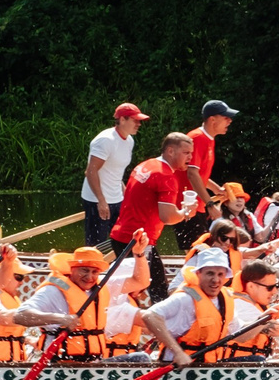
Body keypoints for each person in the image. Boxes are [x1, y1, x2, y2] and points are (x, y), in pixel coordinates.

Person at [139, 249, 269, 366]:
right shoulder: (186, 298)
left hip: (207, 368)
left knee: (259, 362)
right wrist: (178, 353)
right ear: (199, 273)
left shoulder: (224, 299)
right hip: (178, 368)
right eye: (210, 274)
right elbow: (150, 315)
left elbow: (239, 335)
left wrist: (262, 321)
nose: (215, 280)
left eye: (220, 275)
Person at [108, 131, 193, 299]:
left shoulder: (146, 165)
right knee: (158, 291)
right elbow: (168, 217)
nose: (190, 157)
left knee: (132, 289)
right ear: (170, 151)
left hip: (121, 235)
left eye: (191, 153)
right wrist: (186, 212)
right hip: (138, 241)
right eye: (186, 153)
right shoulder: (166, 177)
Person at [19, 246, 120, 360]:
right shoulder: (53, 291)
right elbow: (20, 315)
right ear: (72, 268)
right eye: (84, 270)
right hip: (59, 364)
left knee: (140, 358)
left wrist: (138, 254)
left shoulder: (98, 288)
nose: (89, 277)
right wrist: (61, 319)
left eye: (94, 272)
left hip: (92, 363)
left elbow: (139, 282)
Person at [80, 103, 148, 247]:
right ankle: (91, 268)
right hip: (96, 199)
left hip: (116, 198)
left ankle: (119, 267)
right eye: (135, 120)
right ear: (122, 120)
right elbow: (91, 171)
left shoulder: (129, 141)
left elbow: (116, 171)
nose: (139, 124)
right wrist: (101, 200)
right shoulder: (105, 140)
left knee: (122, 239)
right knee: (96, 245)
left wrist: (126, 195)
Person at [173, 101, 239, 252]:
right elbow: (191, 173)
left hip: (197, 205)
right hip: (188, 204)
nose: (230, 121)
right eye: (226, 117)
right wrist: (209, 203)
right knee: (196, 251)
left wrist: (216, 189)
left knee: (200, 249)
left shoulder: (209, 139)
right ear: (212, 120)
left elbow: (199, 173)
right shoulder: (197, 138)